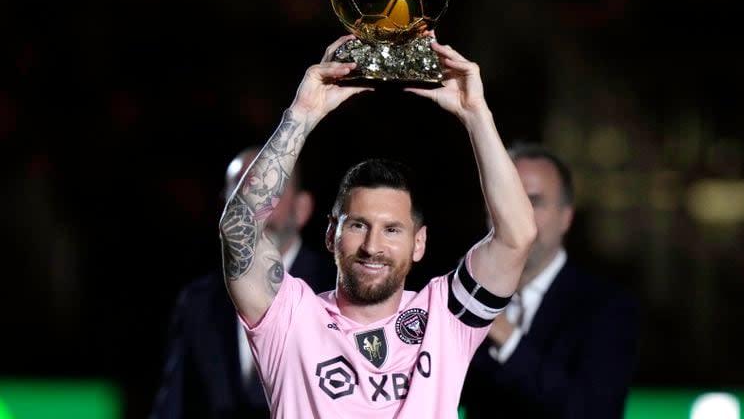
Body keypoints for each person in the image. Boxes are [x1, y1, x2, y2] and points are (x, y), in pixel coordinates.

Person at [217, 34, 537, 418]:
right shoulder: (291, 318)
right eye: (357, 225)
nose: (372, 245)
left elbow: (517, 236)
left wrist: (476, 114)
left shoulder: (445, 315)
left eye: (392, 230)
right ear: (330, 231)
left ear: (419, 243)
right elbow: (239, 230)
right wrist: (301, 115)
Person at [150, 146, 336, 418]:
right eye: (239, 192)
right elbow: (172, 408)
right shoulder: (198, 302)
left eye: (269, 190)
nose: (252, 205)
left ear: (302, 207)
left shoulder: (334, 293)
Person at [460, 142, 639, 419]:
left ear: (566, 217)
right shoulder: (461, 294)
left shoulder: (607, 306)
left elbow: (595, 411)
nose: (518, 213)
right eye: (506, 197)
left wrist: (505, 336)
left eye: (534, 201)